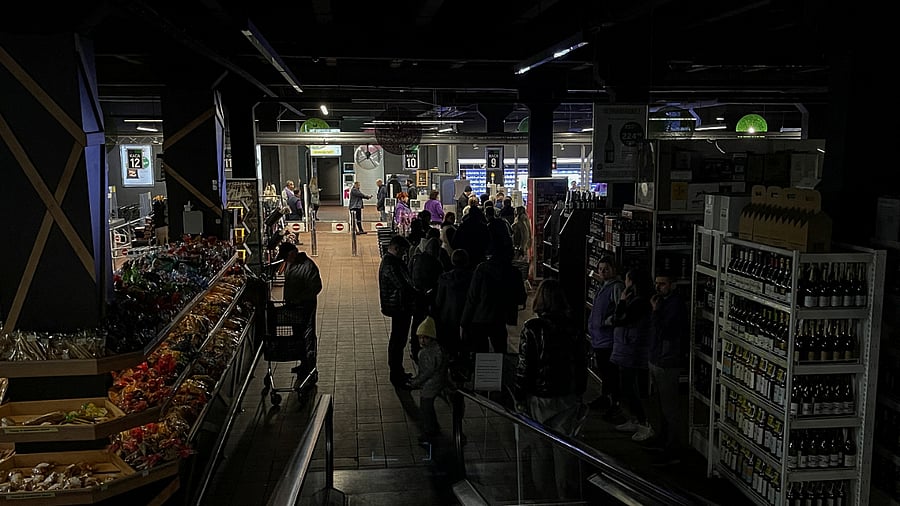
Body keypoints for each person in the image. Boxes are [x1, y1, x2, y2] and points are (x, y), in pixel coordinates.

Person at [515, 278, 588, 500]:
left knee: (540, 448)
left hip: (540, 397)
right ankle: (566, 495)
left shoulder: (532, 329)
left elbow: (524, 367)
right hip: (566, 395)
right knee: (565, 449)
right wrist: (579, 391)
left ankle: (543, 496)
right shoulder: (573, 328)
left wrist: (520, 396)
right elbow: (580, 362)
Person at [646, 270, 689, 466]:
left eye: (662, 284)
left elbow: (666, 331)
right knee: (660, 403)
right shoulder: (662, 302)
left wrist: (655, 311)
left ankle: (674, 448)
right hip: (657, 357)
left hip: (667, 361)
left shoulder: (675, 306)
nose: (658, 287)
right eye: (657, 283)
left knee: (670, 407)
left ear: (672, 285)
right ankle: (663, 439)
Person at [610, 268, 655, 442]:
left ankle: (643, 423)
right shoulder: (639, 301)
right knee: (628, 386)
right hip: (629, 348)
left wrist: (621, 301)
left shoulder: (639, 303)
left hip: (632, 349)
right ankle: (636, 420)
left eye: (627, 280)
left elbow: (619, 319)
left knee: (630, 386)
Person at [460, 239, 526, 355]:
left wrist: (464, 322)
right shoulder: (514, 273)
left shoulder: (481, 269)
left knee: (481, 354)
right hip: (501, 318)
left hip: (480, 317)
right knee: (500, 352)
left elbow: (472, 297)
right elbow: (521, 297)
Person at [276, 242, 323, 383]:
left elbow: (316, 287)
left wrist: (299, 299)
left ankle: (310, 366)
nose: (285, 260)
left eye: (286, 257)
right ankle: (303, 363)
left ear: (292, 254)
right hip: (294, 308)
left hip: (306, 307)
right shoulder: (291, 264)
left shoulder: (308, 266)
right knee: (298, 336)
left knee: (307, 337)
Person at [586, 257, 625, 418]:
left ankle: (614, 403)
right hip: (598, 337)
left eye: (606, 269)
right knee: (604, 370)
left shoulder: (616, 287)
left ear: (614, 270)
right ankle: (605, 397)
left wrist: (606, 322)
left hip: (608, 339)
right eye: (600, 268)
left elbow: (620, 310)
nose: (602, 272)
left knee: (610, 373)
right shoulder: (603, 286)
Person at [378, 235, 415, 389]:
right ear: (396, 248)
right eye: (403, 251)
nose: (404, 254)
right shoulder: (390, 264)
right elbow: (402, 285)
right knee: (397, 342)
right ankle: (396, 375)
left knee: (399, 341)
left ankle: (399, 371)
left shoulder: (393, 262)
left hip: (399, 306)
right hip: (398, 307)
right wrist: (416, 293)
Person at [433, 249, 473, 375]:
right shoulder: (472, 277)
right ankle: (464, 370)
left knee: (450, 345)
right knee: (465, 345)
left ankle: (452, 370)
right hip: (466, 316)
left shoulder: (445, 278)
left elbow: (439, 300)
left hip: (448, 315)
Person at [410, 316, 448, 445]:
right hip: (437, 382)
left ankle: (429, 432)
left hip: (430, 385)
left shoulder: (426, 353)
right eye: (420, 337)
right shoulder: (438, 349)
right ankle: (434, 428)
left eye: (425, 337)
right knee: (429, 408)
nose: (422, 340)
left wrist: (415, 382)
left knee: (426, 408)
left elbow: (426, 373)